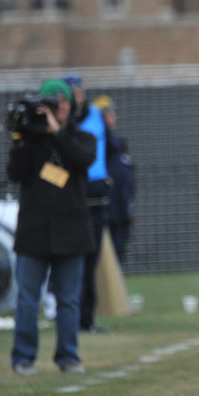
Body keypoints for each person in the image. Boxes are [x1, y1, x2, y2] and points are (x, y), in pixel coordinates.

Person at [7, 79, 96, 375]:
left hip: (71, 233)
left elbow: (80, 159)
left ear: (71, 107)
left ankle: (68, 356)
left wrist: (56, 133)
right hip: (34, 231)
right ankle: (23, 357)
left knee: (69, 300)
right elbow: (15, 174)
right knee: (27, 299)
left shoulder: (82, 138)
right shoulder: (32, 141)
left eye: (63, 103)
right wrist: (20, 138)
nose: (58, 108)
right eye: (52, 103)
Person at [65, 74, 110, 332]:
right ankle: (65, 314)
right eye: (73, 93)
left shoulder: (94, 115)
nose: (78, 98)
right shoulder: (62, 122)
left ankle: (87, 319)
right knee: (71, 260)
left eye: (80, 92)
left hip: (96, 196)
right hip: (73, 194)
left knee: (91, 260)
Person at [94, 96, 135, 265]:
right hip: (106, 213)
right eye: (106, 115)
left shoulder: (118, 145)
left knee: (119, 256)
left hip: (121, 211)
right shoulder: (99, 144)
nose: (112, 118)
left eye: (111, 114)